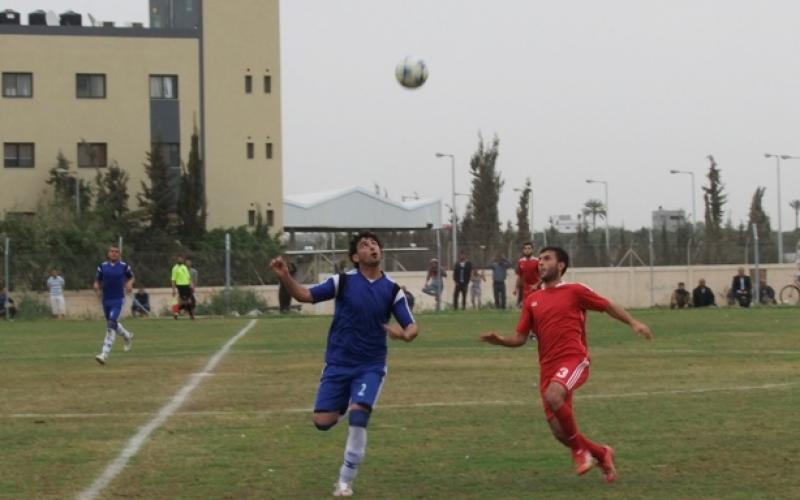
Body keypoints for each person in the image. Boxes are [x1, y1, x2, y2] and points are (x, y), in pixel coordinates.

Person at [480, 246, 653, 483]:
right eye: (539, 259)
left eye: (547, 259)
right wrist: (500, 341)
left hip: (574, 359)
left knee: (554, 397)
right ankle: (602, 453)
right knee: (560, 433)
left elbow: (608, 306)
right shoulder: (532, 300)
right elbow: (520, 338)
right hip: (548, 367)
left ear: (561, 265)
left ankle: (580, 452)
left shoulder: (575, 291)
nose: (540, 263)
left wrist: (634, 322)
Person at [270, 231, 417, 497]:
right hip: (338, 363)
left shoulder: (393, 289)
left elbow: (412, 327)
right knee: (322, 421)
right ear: (355, 257)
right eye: (364, 245)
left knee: (359, 415)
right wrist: (285, 278)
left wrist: (404, 335)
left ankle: (344, 481)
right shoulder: (343, 282)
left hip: (371, 365)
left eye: (374, 243)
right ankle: (348, 405)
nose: (372, 247)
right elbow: (305, 295)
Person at [93, 245, 135, 365]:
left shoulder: (124, 266)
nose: (114, 253)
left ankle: (104, 354)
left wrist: (129, 284)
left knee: (111, 324)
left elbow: (131, 277)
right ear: (108, 253)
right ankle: (127, 336)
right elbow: (98, 280)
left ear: (119, 254)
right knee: (112, 323)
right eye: (112, 251)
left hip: (118, 299)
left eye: (116, 252)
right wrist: (96, 285)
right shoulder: (102, 266)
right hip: (106, 299)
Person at [514, 241, 541, 306]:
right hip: (526, 289)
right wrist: (515, 288)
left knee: (536, 306)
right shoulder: (521, 261)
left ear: (532, 250)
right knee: (526, 307)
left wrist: (536, 285)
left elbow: (543, 276)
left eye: (529, 248)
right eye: (525, 248)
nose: (527, 250)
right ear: (523, 250)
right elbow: (519, 276)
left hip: (536, 289)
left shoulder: (537, 261)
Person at [171, 255, 194, 319]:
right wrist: (173, 289)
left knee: (189, 301)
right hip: (180, 286)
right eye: (179, 259)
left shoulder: (184, 267)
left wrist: (191, 284)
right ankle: (191, 315)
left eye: (181, 259)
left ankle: (176, 313)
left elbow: (188, 277)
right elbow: (173, 279)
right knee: (185, 301)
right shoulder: (175, 268)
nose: (180, 260)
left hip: (187, 285)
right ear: (177, 260)